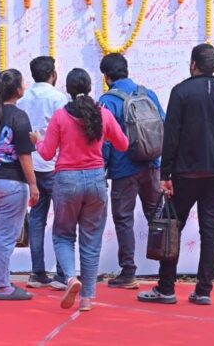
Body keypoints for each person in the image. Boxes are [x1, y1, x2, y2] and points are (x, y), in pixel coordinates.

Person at [138, 44, 214, 306]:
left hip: (185, 173)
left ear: (193, 63)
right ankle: (204, 290)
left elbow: (170, 136)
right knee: (210, 231)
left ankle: (166, 287)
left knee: (172, 226)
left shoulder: (181, 92)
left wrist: (165, 173)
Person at [31, 68, 128, 312]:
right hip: (96, 180)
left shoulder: (61, 116)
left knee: (63, 235)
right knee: (91, 241)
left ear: (68, 89)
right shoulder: (102, 114)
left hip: (66, 180)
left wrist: (36, 141)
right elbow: (123, 144)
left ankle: (70, 278)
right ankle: (87, 298)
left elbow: (46, 153)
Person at [98, 53, 165, 289]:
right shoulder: (148, 94)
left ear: (106, 76)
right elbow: (162, 125)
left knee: (123, 219)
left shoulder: (107, 100)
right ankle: (167, 271)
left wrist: (103, 168)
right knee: (157, 217)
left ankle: (128, 272)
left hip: (124, 169)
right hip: (152, 166)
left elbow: (104, 139)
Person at [0, 69, 40, 300]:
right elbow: (25, 155)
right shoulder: (19, 116)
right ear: (17, 89)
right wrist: (33, 184)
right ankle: (3, 285)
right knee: (6, 236)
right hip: (12, 182)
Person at [16, 56, 68, 291]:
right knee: (62, 220)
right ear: (53, 74)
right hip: (54, 164)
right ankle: (61, 273)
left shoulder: (23, 99)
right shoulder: (58, 98)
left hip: (31, 166)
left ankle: (37, 272)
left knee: (37, 218)